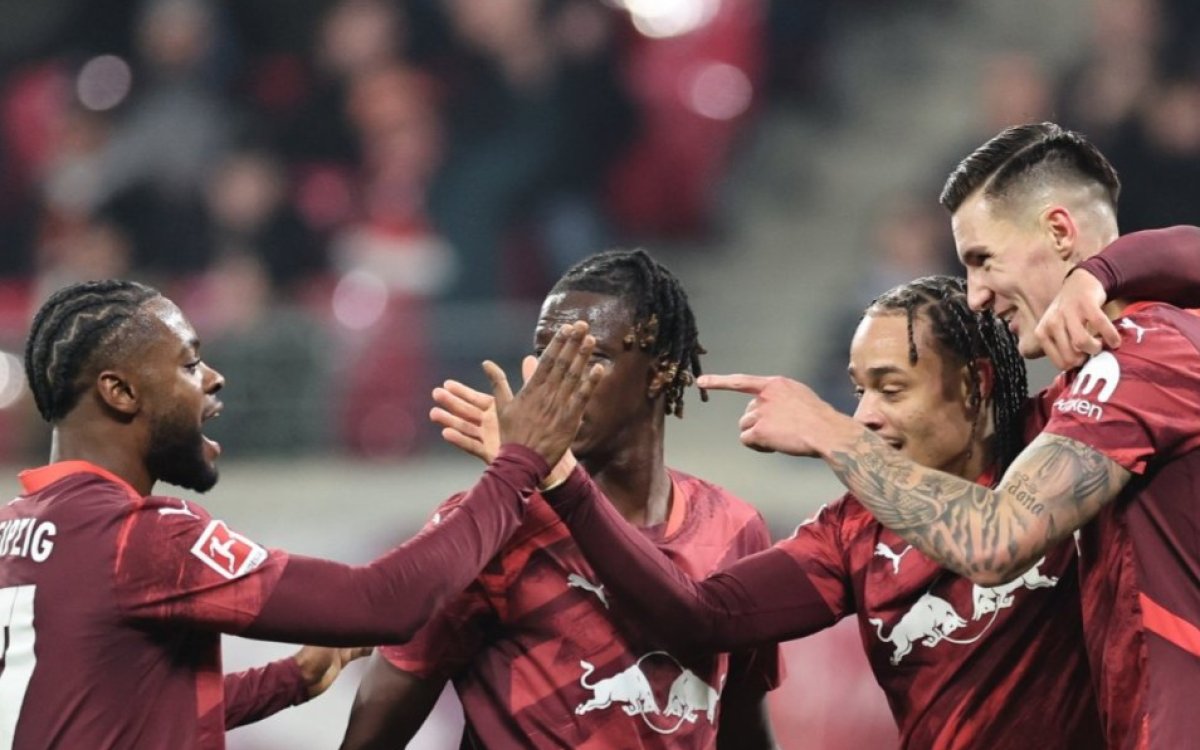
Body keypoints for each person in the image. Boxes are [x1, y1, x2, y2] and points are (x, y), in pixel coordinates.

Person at [441, 274, 1109, 748]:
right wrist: (560, 476)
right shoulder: (852, 533)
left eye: (891, 388)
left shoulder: (1074, 451)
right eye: (856, 391)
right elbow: (697, 619)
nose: (865, 416)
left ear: (974, 383)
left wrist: (1103, 273)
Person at [696, 124, 1200, 748]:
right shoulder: (1144, 354)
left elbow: (995, 541)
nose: (977, 294)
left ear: (1059, 231)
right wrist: (1103, 272)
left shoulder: (1140, 356)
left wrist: (831, 432)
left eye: (982, 259)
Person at [0, 279, 603, 749]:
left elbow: (105, 712)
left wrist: (290, 679)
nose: (213, 378)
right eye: (188, 364)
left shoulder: (12, 529)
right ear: (120, 392)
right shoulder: (140, 538)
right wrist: (519, 465)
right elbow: (383, 604)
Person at [341, 249, 781, 749]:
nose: (556, 383)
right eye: (546, 357)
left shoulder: (734, 531)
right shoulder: (488, 530)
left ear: (660, 370)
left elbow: (744, 730)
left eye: (591, 357)